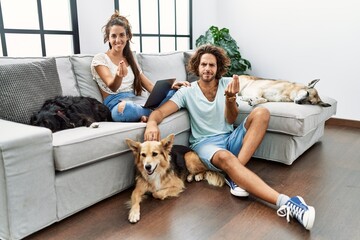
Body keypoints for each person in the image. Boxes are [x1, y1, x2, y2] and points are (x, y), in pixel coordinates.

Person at [144, 44, 316, 230]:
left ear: (218, 68)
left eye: (212, 65)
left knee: (262, 113)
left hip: (229, 138)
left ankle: (235, 176)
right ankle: (287, 203)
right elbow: (159, 113)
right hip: (206, 145)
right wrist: (152, 123)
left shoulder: (226, 85)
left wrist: (231, 99)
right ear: (197, 67)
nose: (207, 69)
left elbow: (231, 118)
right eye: (204, 64)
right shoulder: (187, 91)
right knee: (226, 157)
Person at [91, 11, 189, 122]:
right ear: (108, 38)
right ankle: (157, 113)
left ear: (128, 36)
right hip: (116, 105)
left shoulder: (131, 59)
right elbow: (112, 86)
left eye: (122, 35)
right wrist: (119, 76)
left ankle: (150, 114)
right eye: (113, 36)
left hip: (137, 101)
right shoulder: (100, 59)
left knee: (178, 92)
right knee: (126, 109)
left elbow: (150, 86)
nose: (118, 40)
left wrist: (171, 86)